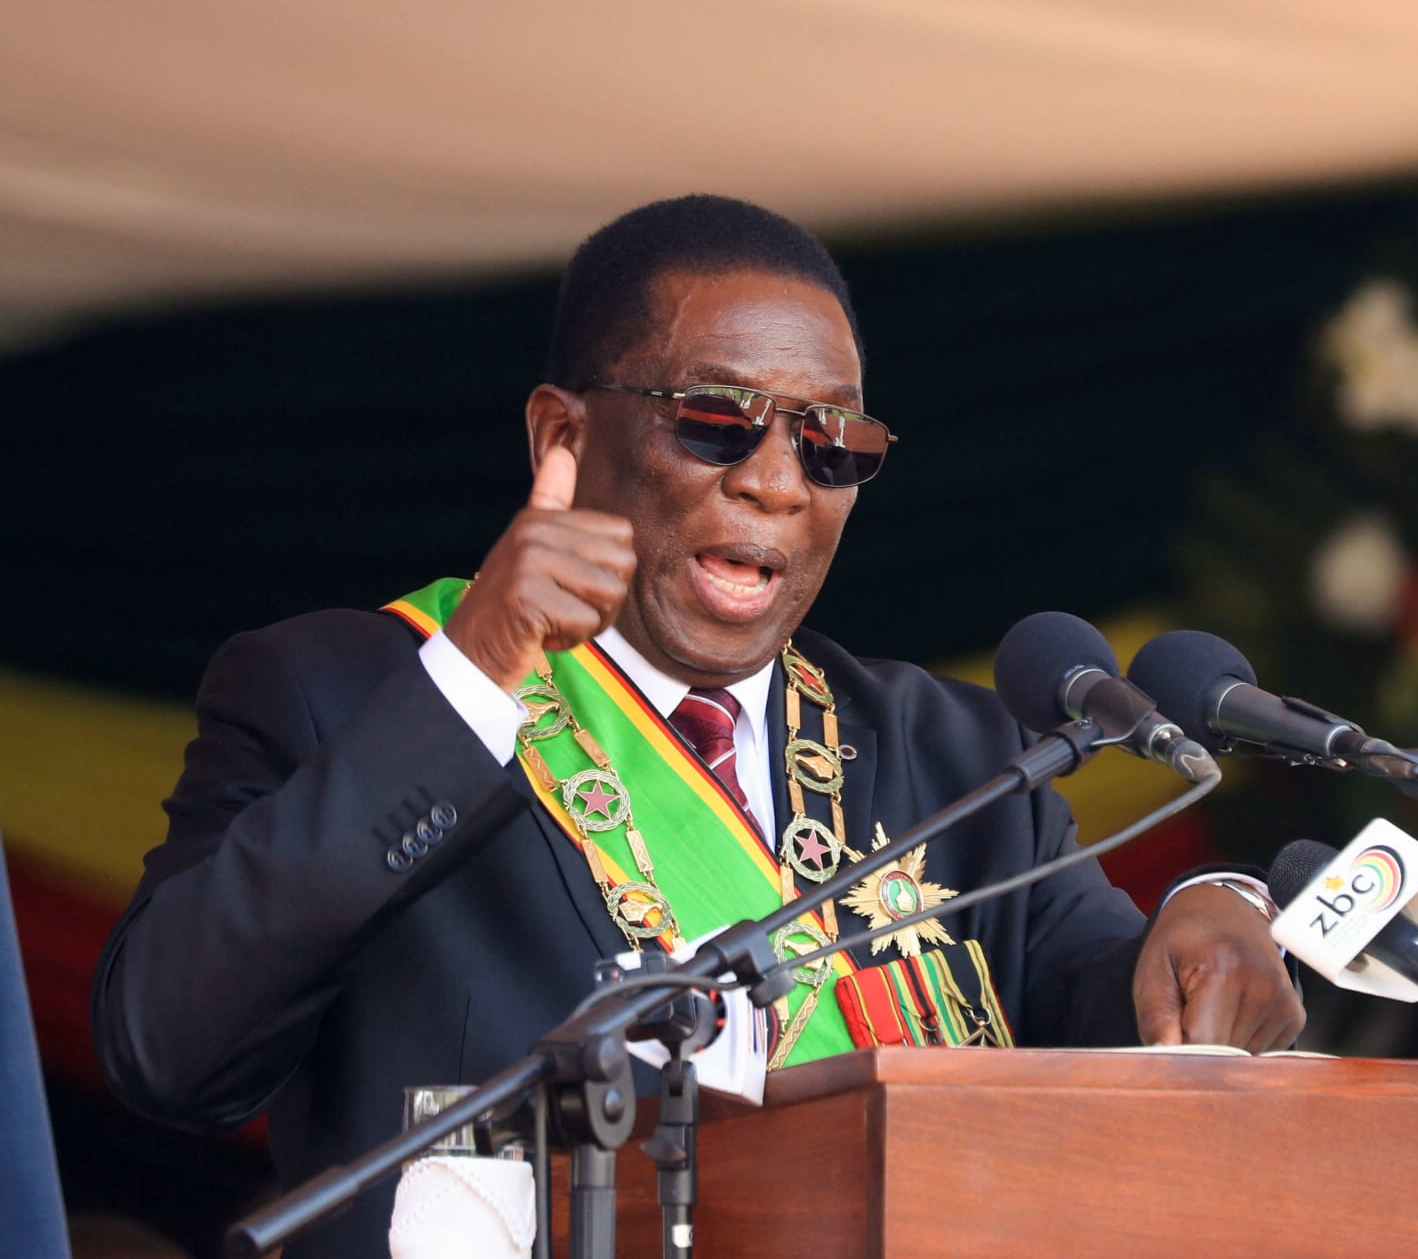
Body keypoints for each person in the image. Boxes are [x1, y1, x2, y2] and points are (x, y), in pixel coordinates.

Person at [92, 195, 1303, 1257]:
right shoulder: (345, 690)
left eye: (830, 441)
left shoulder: (961, 752)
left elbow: (1120, 1015)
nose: (776, 480)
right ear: (563, 436)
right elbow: (170, 1050)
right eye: (716, 421)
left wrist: (1215, 914)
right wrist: (474, 683)